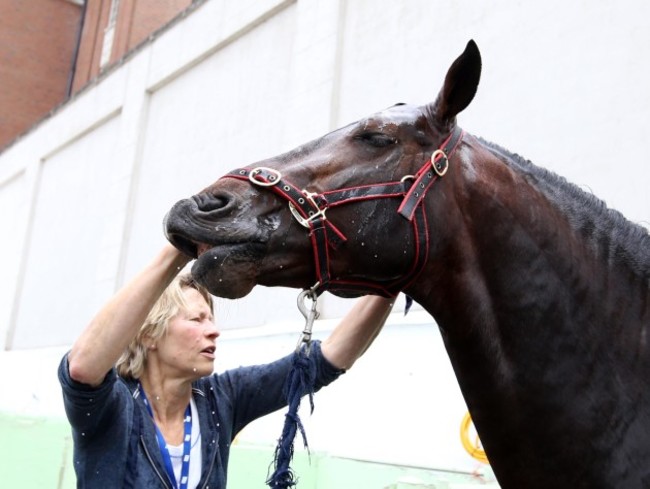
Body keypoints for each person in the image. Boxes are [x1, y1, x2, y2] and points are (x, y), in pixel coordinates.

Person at [59, 244, 394, 488]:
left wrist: (391, 284)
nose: (214, 330)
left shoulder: (221, 399)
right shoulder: (111, 407)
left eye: (212, 318)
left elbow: (324, 361)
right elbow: (81, 369)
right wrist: (180, 247)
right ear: (150, 334)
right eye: (196, 319)